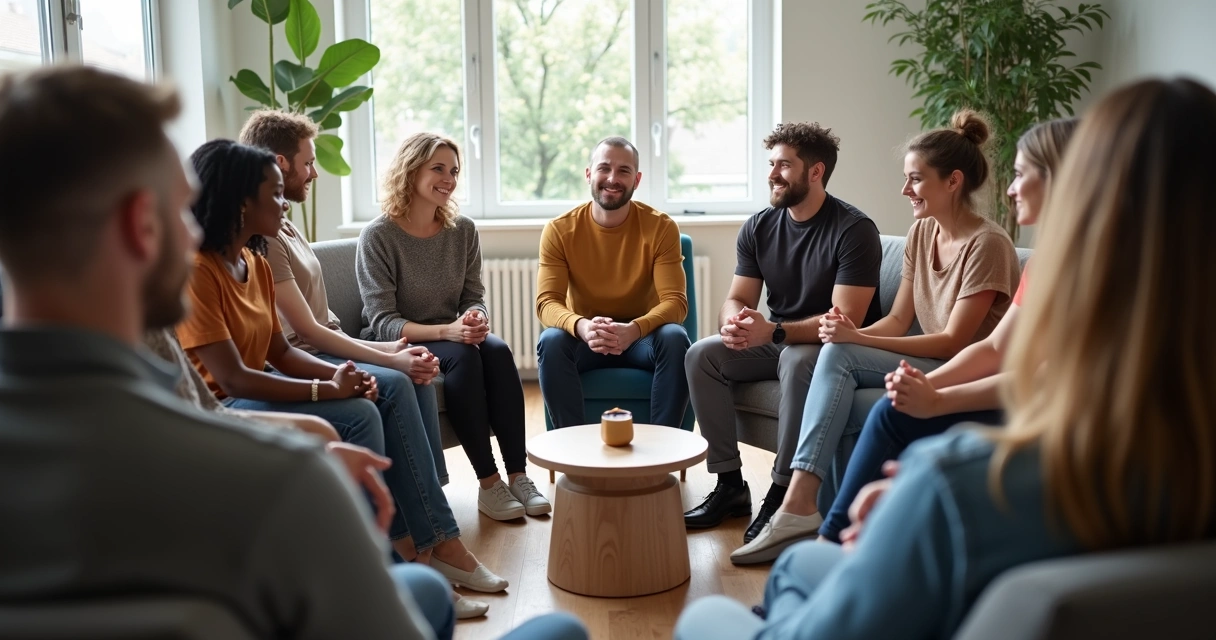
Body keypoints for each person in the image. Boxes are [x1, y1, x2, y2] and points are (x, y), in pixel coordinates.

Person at [675, 75, 1216, 640]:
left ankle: (797, 503)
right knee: (800, 554)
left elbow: (989, 353)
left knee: (726, 606)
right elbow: (1004, 355)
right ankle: (779, 505)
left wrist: (922, 481)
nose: (1010, 188)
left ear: (1090, 189)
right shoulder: (1171, 460)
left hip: (914, 532)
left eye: (1028, 172)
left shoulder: (955, 481)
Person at [0, 64, 438, 639]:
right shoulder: (279, 483)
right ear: (141, 226)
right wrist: (310, 475)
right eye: (182, 210)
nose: (193, 232)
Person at [176, 139, 509, 599]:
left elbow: (282, 354)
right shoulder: (197, 271)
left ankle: (416, 548)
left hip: (261, 383)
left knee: (379, 391)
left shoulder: (255, 262)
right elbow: (232, 379)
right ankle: (396, 557)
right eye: (272, 193)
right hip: (223, 403)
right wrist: (326, 390)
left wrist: (340, 377)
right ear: (238, 199)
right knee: (361, 409)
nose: (282, 204)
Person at [731, 110, 1021, 564]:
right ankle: (805, 506)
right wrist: (853, 333)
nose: (905, 190)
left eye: (915, 180)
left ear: (953, 182)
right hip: (928, 356)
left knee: (841, 354)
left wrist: (857, 342)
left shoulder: (988, 245)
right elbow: (898, 318)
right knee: (839, 349)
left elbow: (952, 342)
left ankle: (797, 501)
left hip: (957, 368)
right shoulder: (922, 233)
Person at [816, 117, 1079, 544]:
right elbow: (996, 345)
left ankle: (827, 542)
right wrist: (924, 386)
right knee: (884, 399)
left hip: (1046, 407)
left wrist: (936, 397)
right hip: (1008, 383)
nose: (1009, 190)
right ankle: (823, 531)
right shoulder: (1049, 259)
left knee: (886, 407)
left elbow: (1049, 376)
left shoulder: (1066, 259)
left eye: (1019, 175)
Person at [682, 122, 884, 543]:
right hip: (778, 338)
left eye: (784, 165)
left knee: (796, 357)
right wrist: (735, 322)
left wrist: (772, 332)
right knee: (702, 354)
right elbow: (737, 297)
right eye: (771, 164)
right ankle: (730, 485)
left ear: (815, 172)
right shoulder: (760, 226)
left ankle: (781, 492)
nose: (773, 174)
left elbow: (844, 318)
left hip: (834, 348)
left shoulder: (853, 230)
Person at [357, 132, 549, 521]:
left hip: (455, 334)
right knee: (464, 355)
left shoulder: (463, 230)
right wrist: (449, 331)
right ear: (411, 171)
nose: (449, 178)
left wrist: (474, 316)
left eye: (454, 171)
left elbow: (472, 294)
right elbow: (382, 322)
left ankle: (519, 475)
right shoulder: (378, 236)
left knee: (496, 349)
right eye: (438, 169)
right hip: (402, 339)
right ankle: (489, 483)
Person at [536, 136, 690, 429]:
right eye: (604, 168)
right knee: (552, 341)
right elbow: (547, 303)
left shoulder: (661, 227)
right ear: (589, 174)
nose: (612, 178)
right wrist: (582, 326)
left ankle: (664, 452)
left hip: (642, 338)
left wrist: (633, 329)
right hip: (587, 337)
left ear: (637, 179)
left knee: (674, 337)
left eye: (624, 171)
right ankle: (572, 451)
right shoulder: (559, 230)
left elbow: (676, 303)